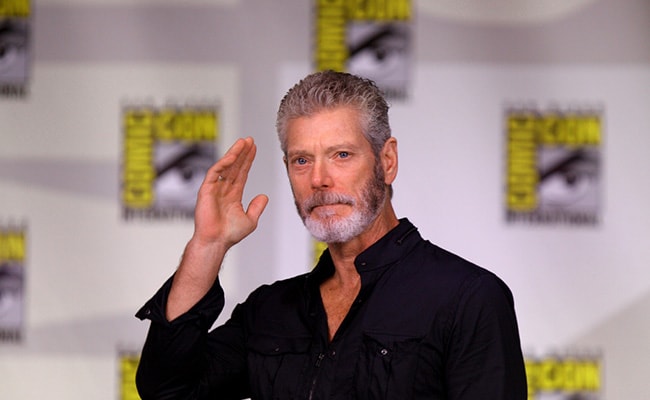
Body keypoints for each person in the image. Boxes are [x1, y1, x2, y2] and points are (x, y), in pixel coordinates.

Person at [135, 71, 528, 399]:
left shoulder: (469, 298)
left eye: (341, 155)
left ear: (386, 161)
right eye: (302, 160)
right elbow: (168, 390)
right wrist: (208, 244)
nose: (319, 180)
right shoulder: (269, 310)